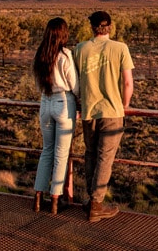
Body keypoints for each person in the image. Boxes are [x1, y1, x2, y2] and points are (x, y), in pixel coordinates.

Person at [73, 11, 134, 222]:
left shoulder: (80, 48)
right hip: (112, 112)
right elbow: (127, 83)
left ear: (92, 27)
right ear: (110, 27)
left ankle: (92, 201)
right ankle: (97, 205)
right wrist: (124, 104)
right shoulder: (120, 48)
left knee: (90, 154)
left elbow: (76, 82)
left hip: (89, 111)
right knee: (105, 158)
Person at [32, 17, 79, 215]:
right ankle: (55, 200)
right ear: (63, 34)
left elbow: (37, 84)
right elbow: (74, 85)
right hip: (63, 103)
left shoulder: (40, 54)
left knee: (47, 151)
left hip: (45, 102)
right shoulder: (65, 55)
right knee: (61, 154)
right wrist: (80, 103)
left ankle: (37, 197)